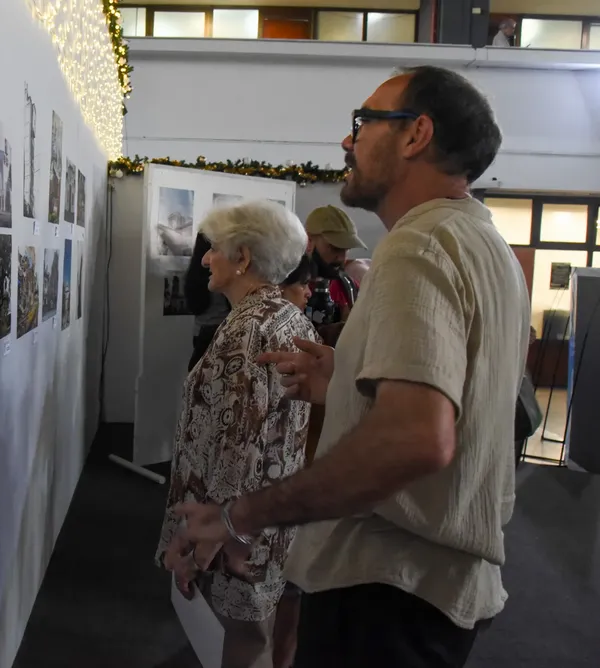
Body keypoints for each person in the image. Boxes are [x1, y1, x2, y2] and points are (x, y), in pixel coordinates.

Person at [175, 65, 529, 667]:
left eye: (363, 122)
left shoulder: (418, 245)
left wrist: (241, 517)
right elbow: (460, 405)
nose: (348, 140)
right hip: (433, 591)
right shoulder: (484, 243)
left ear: (416, 134)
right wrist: (345, 384)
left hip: (388, 589)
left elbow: (416, 439)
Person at [157, 200, 320, 668]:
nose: (206, 259)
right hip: (269, 515)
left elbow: (238, 445)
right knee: (257, 638)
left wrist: (209, 538)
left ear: (243, 258)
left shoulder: (245, 331)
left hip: (240, 528)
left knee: (246, 643)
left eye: (214, 250)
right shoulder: (288, 317)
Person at [304, 206, 366, 321]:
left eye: (346, 249)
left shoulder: (349, 288)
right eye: (335, 248)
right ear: (309, 241)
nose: (342, 258)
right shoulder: (286, 287)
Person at [184, 232, 231, 370]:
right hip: (221, 332)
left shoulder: (194, 273)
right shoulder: (220, 274)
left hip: (200, 333)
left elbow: (194, 306)